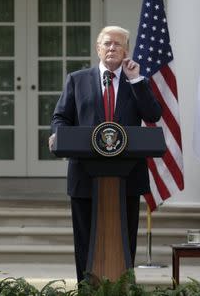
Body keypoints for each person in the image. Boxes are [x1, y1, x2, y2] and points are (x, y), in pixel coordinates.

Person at [49, 26, 162, 283]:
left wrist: (136, 81)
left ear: (126, 51)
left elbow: (153, 115)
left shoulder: (137, 82)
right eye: (108, 44)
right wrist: (59, 134)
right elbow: (60, 117)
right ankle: (86, 289)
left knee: (124, 237)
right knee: (85, 241)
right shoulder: (77, 80)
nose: (112, 48)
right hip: (85, 177)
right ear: (98, 48)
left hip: (127, 177)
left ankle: (123, 288)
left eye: (118, 45)